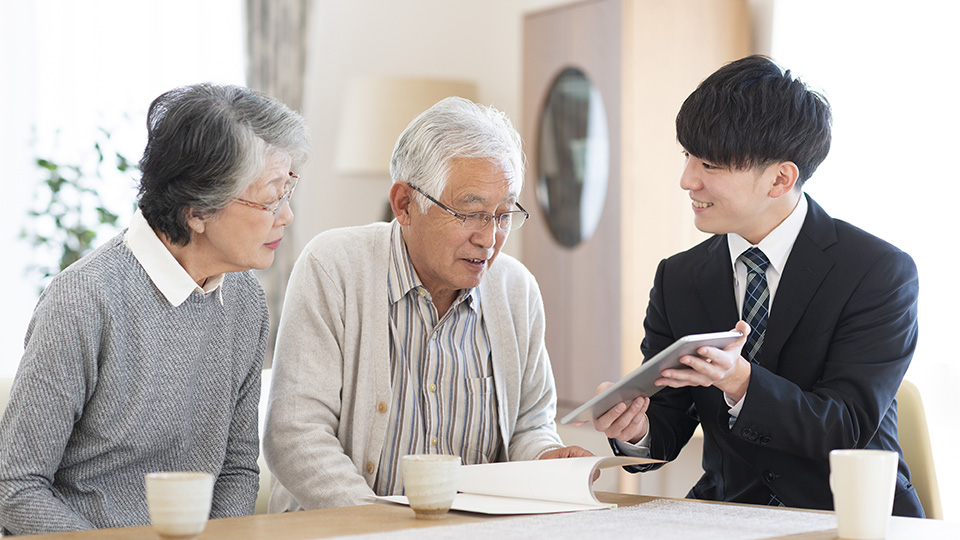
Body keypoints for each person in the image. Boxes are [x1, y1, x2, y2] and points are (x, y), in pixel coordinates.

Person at [591, 55, 923, 516]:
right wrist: (636, 430)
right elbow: (667, 423)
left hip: (849, 518)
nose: (687, 180)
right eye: (687, 156)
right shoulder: (679, 277)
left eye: (709, 164)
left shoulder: (878, 272)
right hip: (726, 517)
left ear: (780, 178)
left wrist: (740, 381)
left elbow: (844, 426)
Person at [0, 83, 310, 535]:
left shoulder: (244, 299)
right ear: (197, 211)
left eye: (288, 190)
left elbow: (238, 469)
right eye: (269, 197)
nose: (286, 216)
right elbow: (16, 487)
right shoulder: (85, 299)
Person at [264, 96, 591, 511]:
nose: (489, 239)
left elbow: (529, 426)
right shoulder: (334, 267)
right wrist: (380, 527)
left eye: (504, 215)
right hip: (344, 532)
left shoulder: (515, 290)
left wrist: (547, 458)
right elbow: (295, 434)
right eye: (471, 214)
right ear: (405, 204)